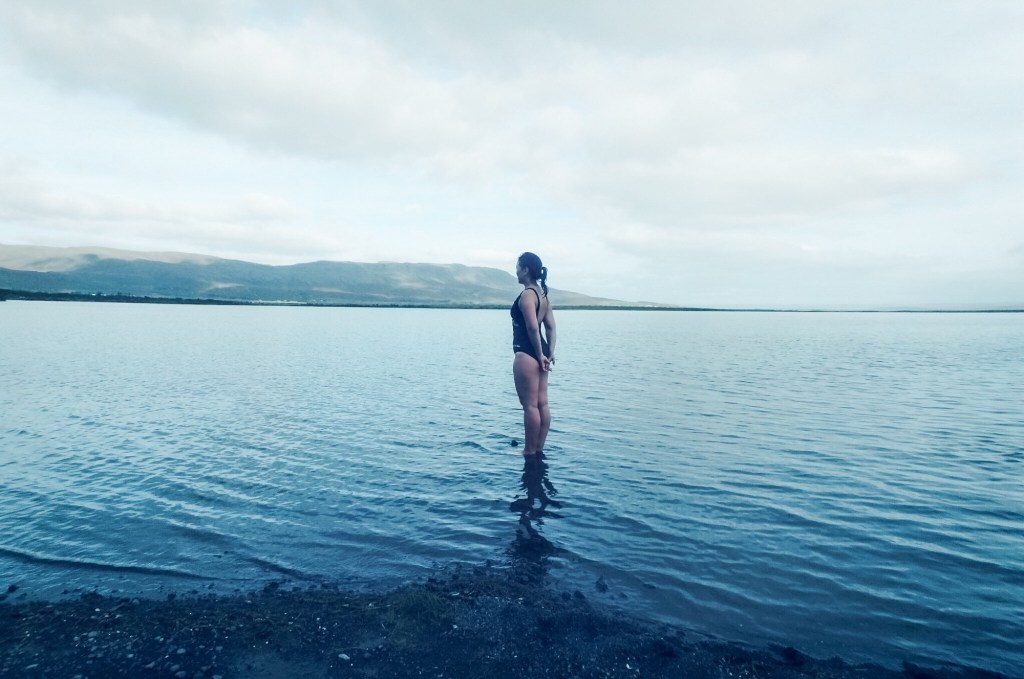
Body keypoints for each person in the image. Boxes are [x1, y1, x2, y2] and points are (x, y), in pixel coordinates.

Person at [511, 252, 556, 456]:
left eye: (518, 267)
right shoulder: (543, 295)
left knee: (530, 405)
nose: (516, 271)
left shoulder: (528, 295)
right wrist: (549, 353)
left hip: (528, 353)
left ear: (526, 270)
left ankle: (529, 451)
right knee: (542, 403)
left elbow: (532, 328)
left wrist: (539, 355)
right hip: (541, 351)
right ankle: (538, 449)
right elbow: (550, 328)